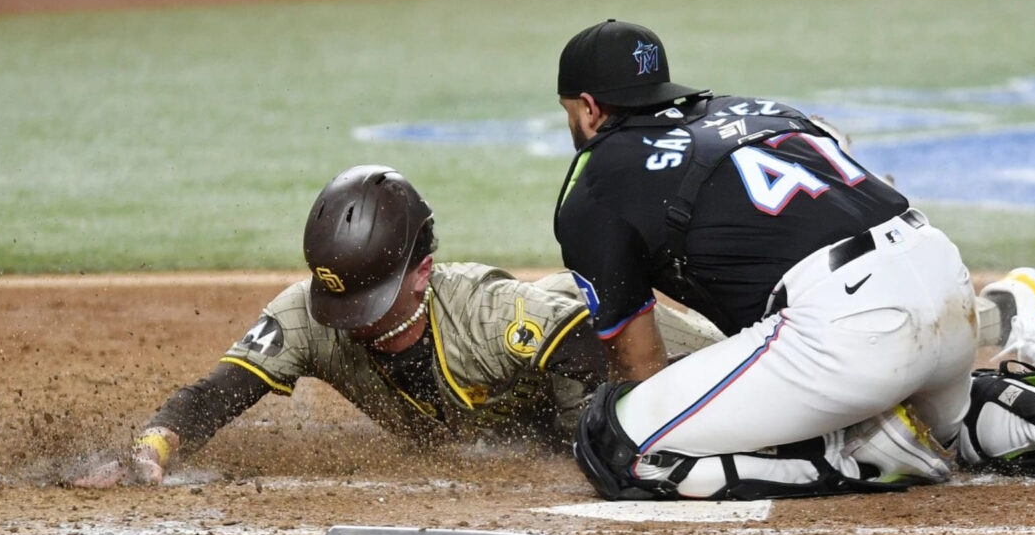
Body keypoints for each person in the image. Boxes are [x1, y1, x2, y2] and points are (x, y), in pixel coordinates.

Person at [552, 20, 1035, 501]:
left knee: (621, 444)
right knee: (950, 421)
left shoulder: (596, 181)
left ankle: (856, 455)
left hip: (847, 328)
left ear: (587, 108)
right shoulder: (752, 107)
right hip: (942, 277)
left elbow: (639, 366)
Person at [76, 164, 723, 488]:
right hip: (546, 401)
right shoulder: (309, 315)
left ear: (422, 272)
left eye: (371, 302)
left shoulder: (481, 311)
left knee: (725, 389)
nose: (355, 326)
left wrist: (606, 434)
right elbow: (218, 391)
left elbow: (592, 345)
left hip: (626, 341)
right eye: (344, 306)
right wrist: (152, 450)